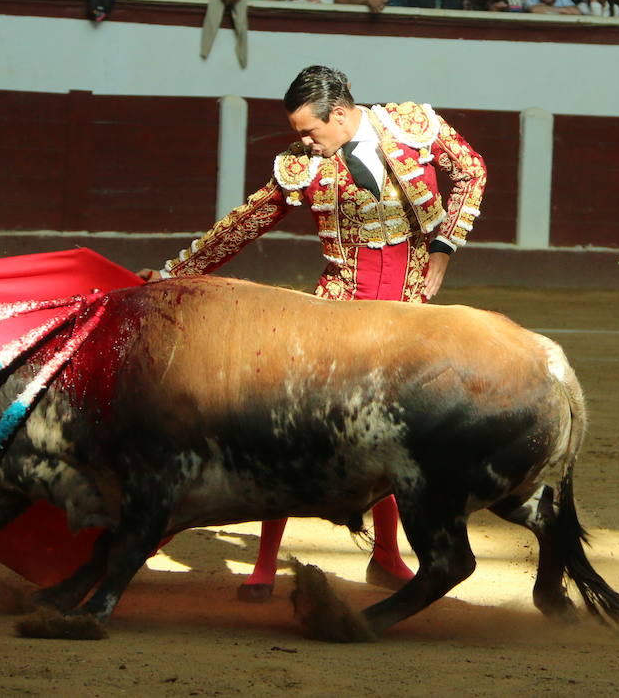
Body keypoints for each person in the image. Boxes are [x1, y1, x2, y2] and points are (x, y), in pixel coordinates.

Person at [144, 65, 487, 601]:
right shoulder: (302, 165)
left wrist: (444, 249)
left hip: (407, 309)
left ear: (344, 114)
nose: (303, 142)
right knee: (295, 428)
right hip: (337, 310)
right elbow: (245, 222)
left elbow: (472, 170)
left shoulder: (414, 125)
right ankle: (263, 562)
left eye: (310, 131)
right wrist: (173, 274)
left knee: (395, 431)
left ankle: (387, 555)